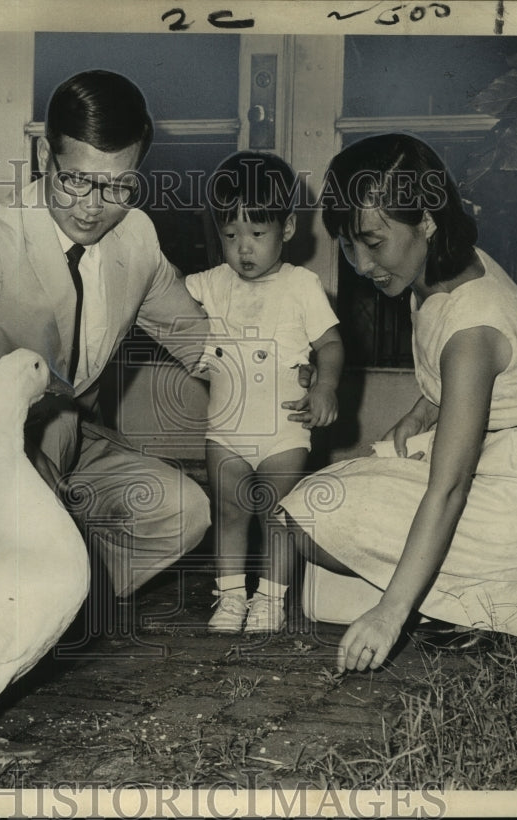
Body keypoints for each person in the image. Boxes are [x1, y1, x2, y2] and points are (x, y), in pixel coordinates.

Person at [273, 133, 517, 671]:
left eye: (373, 242)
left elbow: (449, 488)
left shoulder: (473, 330)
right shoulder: (440, 264)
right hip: (506, 452)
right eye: (348, 245)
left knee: (306, 518)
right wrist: (421, 412)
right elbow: (486, 382)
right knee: (318, 499)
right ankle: (465, 601)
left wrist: (389, 615)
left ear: (425, 218)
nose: (359, 264)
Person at [0, 70, 211, 605]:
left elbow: (198, 340)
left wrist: (290, 366)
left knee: (184, 509)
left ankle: (66, 601)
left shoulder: (136, 238)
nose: (93, 205)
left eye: (118, 185)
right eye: (76, 180)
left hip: (72, 441)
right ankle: (26, 589)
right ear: (46, 156)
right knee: (36, 537)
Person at [185, 151, 343, 634]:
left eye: (257, 234)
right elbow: (161, 298)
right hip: (226, 430)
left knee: (278, 515)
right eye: (230, 236)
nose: (243, 249)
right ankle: (231, 597)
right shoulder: (211, 283)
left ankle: (270, 600)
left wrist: (325, 385)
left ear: (288, 228)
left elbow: (330, 343)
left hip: (284, 427)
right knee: (230, 511)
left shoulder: (302, 285)